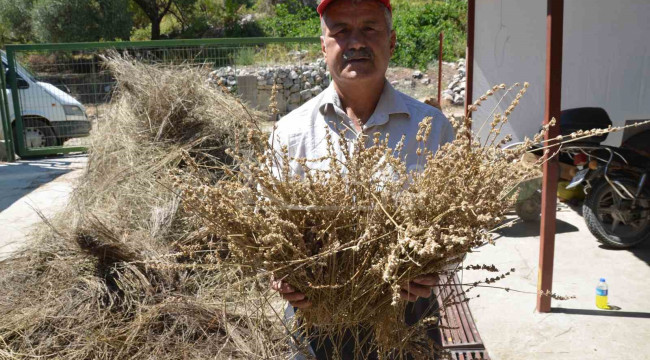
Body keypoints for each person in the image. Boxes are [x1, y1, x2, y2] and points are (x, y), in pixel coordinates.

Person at [269, 0, 456, 358]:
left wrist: (435, 266)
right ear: (323, 46)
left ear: (392, 41)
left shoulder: (431, 128)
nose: (355, 42)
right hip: (316, 322)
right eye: (340, 31)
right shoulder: (290, 133)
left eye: (369, 28)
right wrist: (278, 271)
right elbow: (268, 226)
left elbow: (454, 228)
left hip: (408, 320)